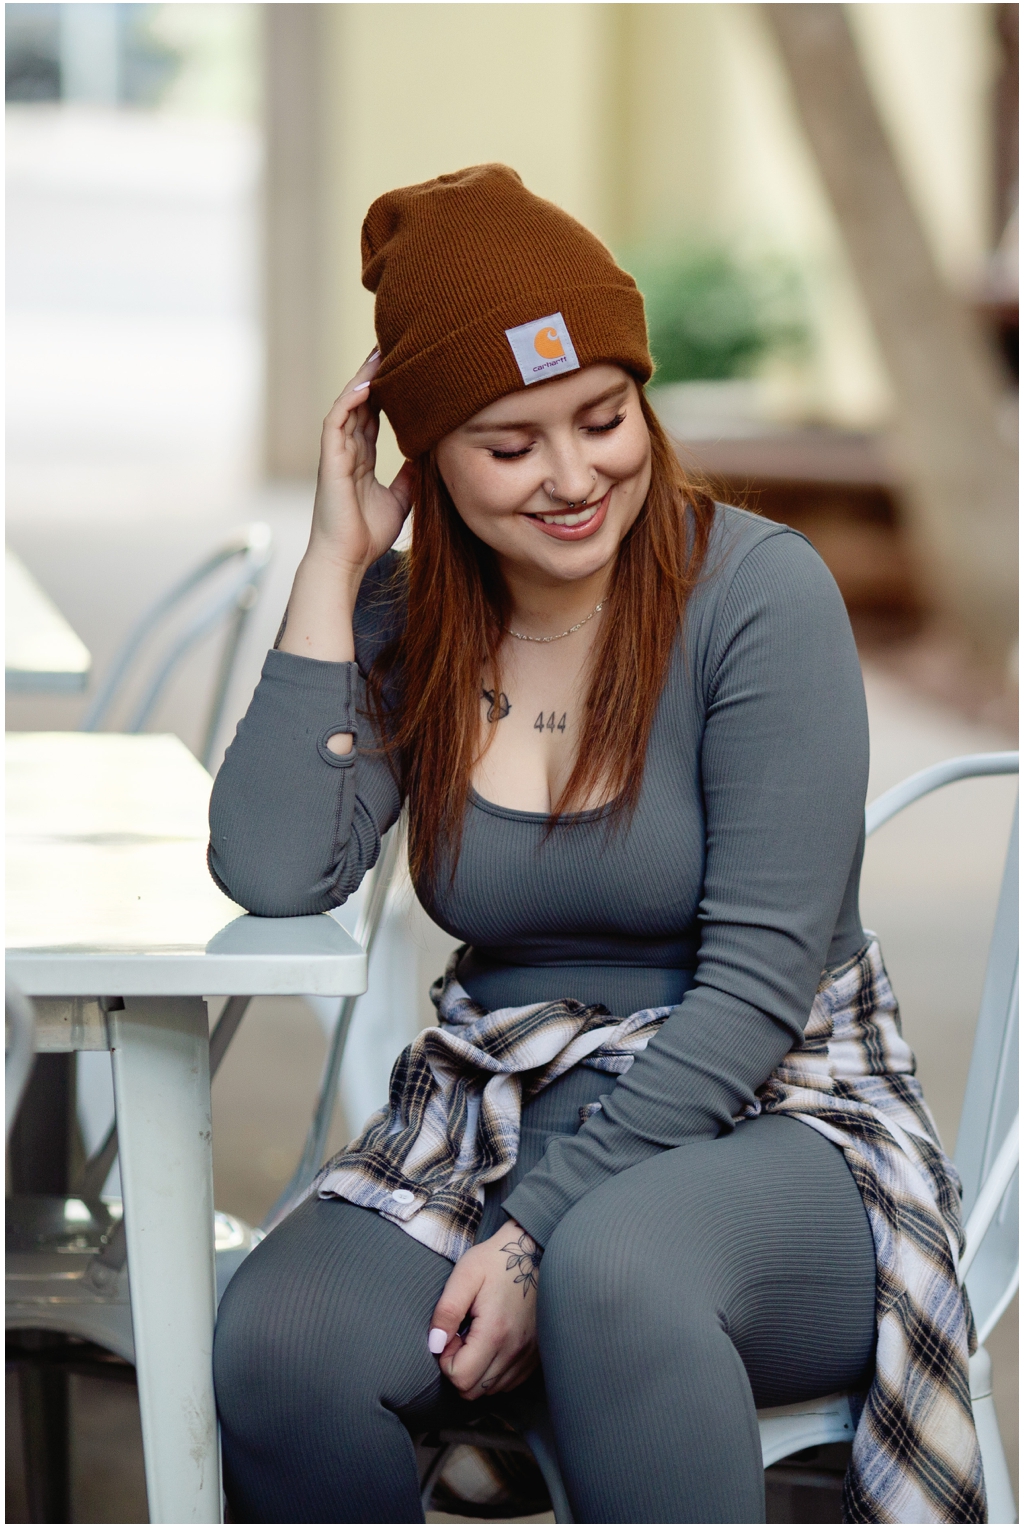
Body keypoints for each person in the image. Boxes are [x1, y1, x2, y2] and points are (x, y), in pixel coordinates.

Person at [209, 165, 981, 1524]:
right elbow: (276, 870)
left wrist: (530, 1236)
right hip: (503, 1108)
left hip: (782, 1118)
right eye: (510, 445)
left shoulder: (756, 595)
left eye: (605, 417)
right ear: (426, 453)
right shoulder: (410, 617)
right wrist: (334, 569)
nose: (575, 478)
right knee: (287, 1344)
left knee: (612, 1271)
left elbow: (755, 989)